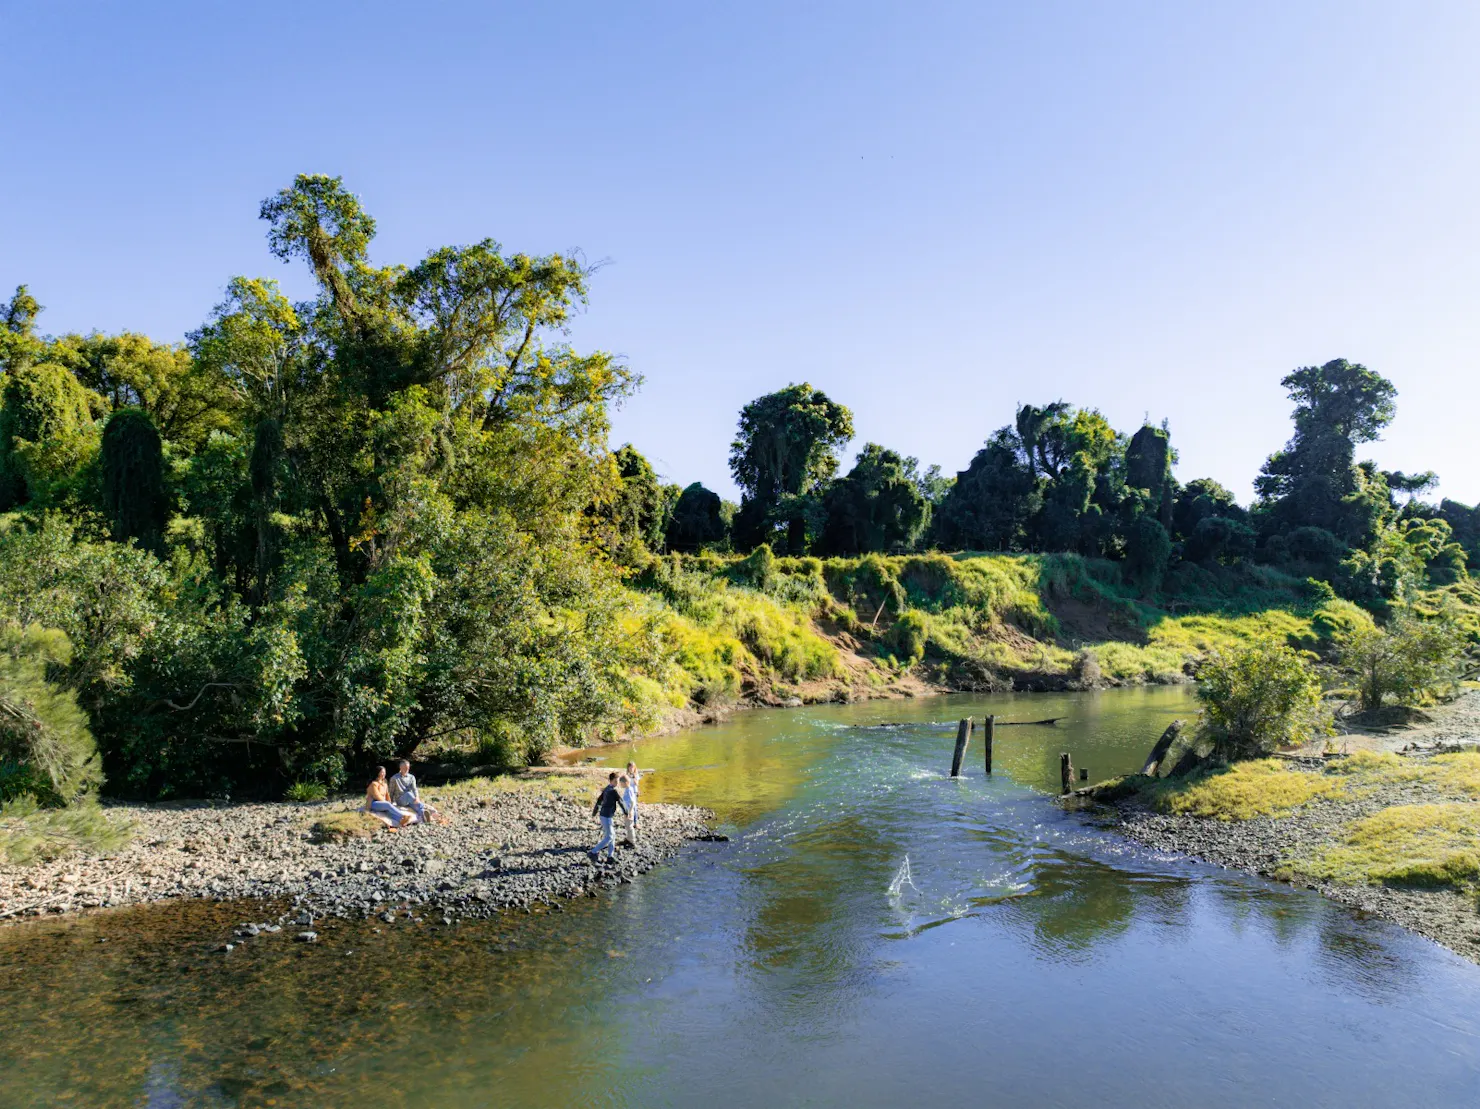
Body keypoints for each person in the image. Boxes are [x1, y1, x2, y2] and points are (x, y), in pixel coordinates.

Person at [588, 771, 630, 863]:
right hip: (606, 817)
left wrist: (594, 812)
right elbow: (621, 802)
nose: (617, 783)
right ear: (610, 781)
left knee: (612, 836)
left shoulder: (607, 789)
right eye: (615, 781)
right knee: (609, 837)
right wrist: (627, 813)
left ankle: (610, 856)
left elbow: (599, 800)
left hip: (605, 816)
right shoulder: (613, 791)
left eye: (618, 781)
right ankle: (593, 852)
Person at [390, 759, 441, 825]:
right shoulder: (394, 778)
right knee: (409, 794)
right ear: (400, 768)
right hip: (400, 800)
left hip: (411, 799)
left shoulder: (412, 777)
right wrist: (390, 802)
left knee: (417, 807)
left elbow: (414, 789)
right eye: (405, 768)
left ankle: (424, 817)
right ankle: (423, 807)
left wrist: (417, 797)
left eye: (408, 768)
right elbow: (391, 791)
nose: (407, 769)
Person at [621, 770, 639, 847]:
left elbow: (632, 802)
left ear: (626, 783)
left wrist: (630, 812)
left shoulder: (629, 790)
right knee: (627, 825)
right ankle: (628, 838)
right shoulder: (628, 789)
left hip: (629, 812)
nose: (620, 785)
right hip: (627, 811)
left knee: (629, 826)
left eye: (621, 783)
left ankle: (632, 841)